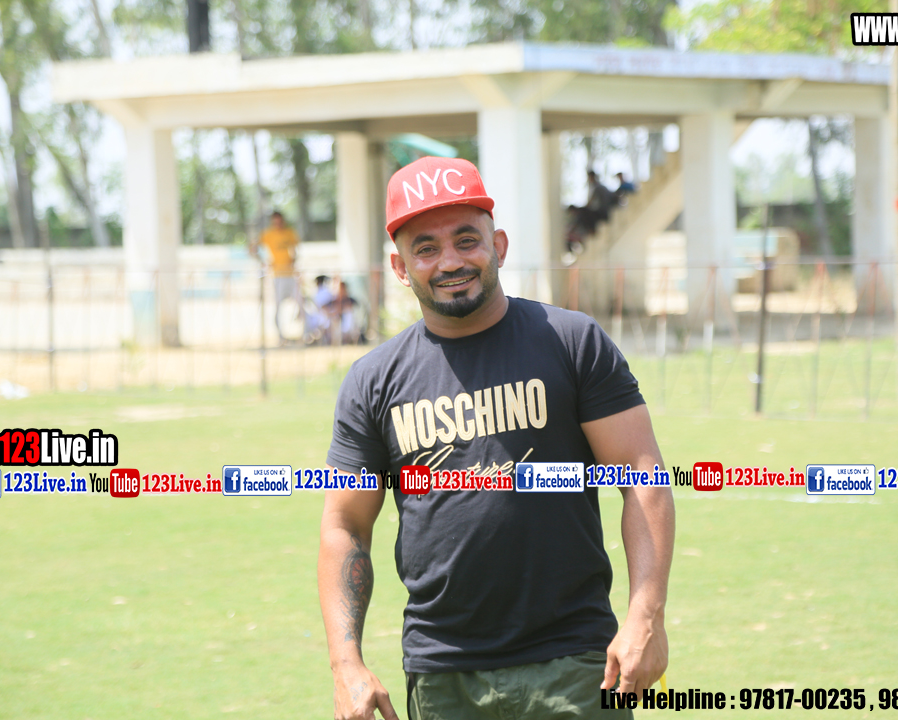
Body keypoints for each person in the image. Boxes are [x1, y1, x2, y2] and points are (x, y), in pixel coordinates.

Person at [317, 156, 674, 720]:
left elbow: (642, 476)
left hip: (575, 664)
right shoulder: (373, 381)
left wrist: (645, 616)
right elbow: (345, 526)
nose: (450, 261)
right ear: (400, 267)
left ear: (499, 246)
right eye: (426, 248)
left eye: (467, 240)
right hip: (443, 677)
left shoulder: (571, 342)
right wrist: (346, 664)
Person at [252, 211, 301, 344]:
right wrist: (263, 261)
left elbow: (295, 251)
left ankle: (306, 333)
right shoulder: (267, 234)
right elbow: (253, 247)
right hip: (277, 276)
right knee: (278, 307)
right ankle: (281, 336)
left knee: (301, 303)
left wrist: (293, 261)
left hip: (290, 274)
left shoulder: (290, 233)